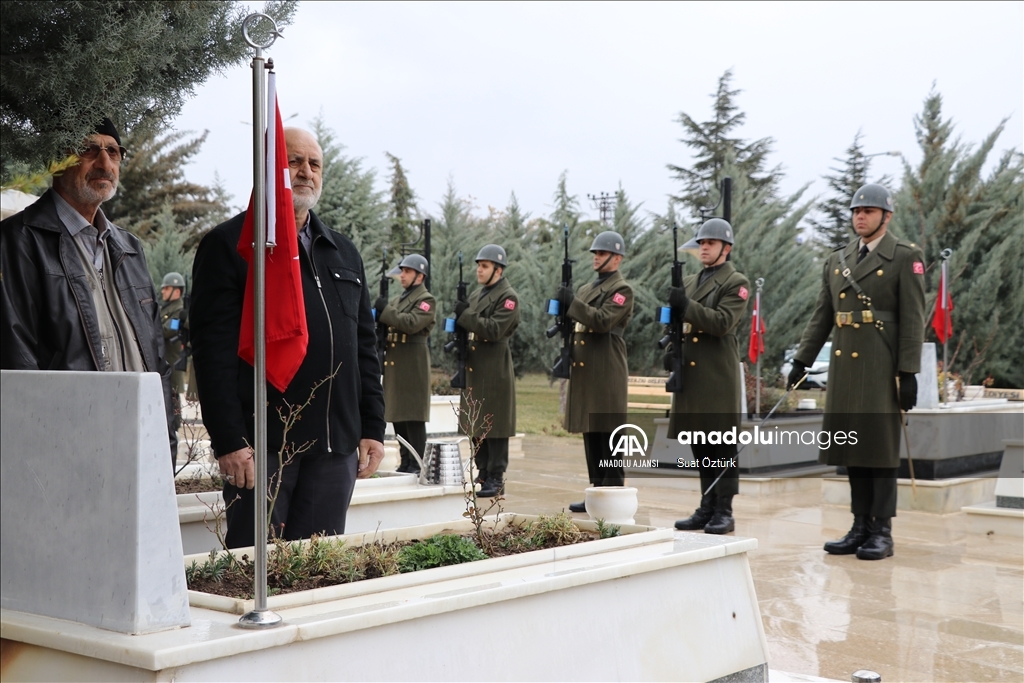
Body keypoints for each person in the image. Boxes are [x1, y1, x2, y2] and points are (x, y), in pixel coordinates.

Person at [190, 128, 385, 549]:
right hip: (265, 451)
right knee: (256, 571)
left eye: (314, 165)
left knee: (316, 574)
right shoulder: (230, 245)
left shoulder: (343, 253)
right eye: (293, 161)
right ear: (268, 169)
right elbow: (212, 352)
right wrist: (229, 440)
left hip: (335, 451)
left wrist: (372, 427)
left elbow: (364, 348)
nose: (305, 172)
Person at [0, 118, 177, 464]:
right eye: (89, 149)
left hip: (138, 442)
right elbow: (15, 356)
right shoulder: (18, 239)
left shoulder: (128, 247)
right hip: (67, 449)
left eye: (114, 151)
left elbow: (157, 357)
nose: (104, 162)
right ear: (59, 162)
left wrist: (165, 440)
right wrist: (45, 455)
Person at [789, 183, 925, 561]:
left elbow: (914, 320)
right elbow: (822, 315)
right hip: (845, 366)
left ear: (886, 216)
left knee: (879, 450)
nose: (860, 216)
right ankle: (859, 525)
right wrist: (802, 360)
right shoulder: (838, 259)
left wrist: (908, 372)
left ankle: (881, 530)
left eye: (868, 210)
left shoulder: (904, 256)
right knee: (852, 448)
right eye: (855, 211)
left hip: (881, 366)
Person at [669, 218, 750, 535]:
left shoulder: (736, 282)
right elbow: (677, 321)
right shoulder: (689, 281)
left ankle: (724, 510)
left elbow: (721, 322)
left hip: (716, 374)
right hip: (690, 372)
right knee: (699, 444)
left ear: (726, 248)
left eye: (711, 243)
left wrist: (685, 306)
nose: (704, 247)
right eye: (701, 243)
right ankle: (706, 505)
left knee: (721, 446)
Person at [559, 231, 634, 513]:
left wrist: (572, 303)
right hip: (587, 367)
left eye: (601, 254)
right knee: (591, 432)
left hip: (607, 367)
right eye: (594, 254)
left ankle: (613, 492)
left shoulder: (621, 290)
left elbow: (602, 321)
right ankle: (596, 491)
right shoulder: (589, 288)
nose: (596, 258)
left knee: (609, 433)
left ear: (616, 258)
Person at [455, 244, 520, 498]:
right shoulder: (477, 295)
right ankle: (482, 472)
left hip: (494, 366)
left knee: (496, 424)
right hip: (475, 364)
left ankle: (496, 476)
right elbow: (470, 323)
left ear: (498, 269)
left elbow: (494, 330)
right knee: (477, 423)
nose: (479, 271)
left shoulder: (508, 297)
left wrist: (465, 315)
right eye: (478, 266)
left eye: (484, 266)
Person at [375, 254, 436, 474]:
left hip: (413, 363)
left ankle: (418, 462)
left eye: (407, 272)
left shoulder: (426, 300)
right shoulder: (400, 299)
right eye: (402, 271)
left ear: (420, 276)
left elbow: (410, 323)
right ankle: (406, 460)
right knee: (399, 415)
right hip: (397, 362)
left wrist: (385, 311)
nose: (402, 276)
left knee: (413, 416)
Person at [160, 272, 187, 398]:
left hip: (171, 364)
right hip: (163, 363)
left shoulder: (179, 311)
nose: (163, 291)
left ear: (177, 292)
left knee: (173, 404)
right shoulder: (166, 308)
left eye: (167, 288)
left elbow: (168, 330)